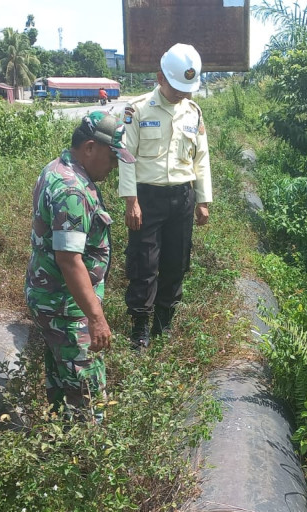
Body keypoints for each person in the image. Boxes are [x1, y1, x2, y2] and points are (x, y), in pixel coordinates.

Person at [24, 111, 135, 419]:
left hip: (53, 300)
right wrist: (96, 318)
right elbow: (69, 261)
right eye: (111, 158)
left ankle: (61, 446)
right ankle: (90, 459)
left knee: (62, 382)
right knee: (89, 394)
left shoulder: (56, 168)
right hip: (65, 307)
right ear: (89, 147)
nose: (113, 167)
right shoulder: (72, 189)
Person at [117, 43, 212, 350]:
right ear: (160, 77)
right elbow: (126, 156)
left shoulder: (193, 111)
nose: (182, 94)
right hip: (148, 197)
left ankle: (164, 322)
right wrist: (131, 201)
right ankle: (141, 327)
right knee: (144, 263)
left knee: (176, 262)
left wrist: (203, 200)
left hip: (182, 197)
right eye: (176, 87)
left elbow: (202, 158)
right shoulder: (138, 109)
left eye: (187, 88)